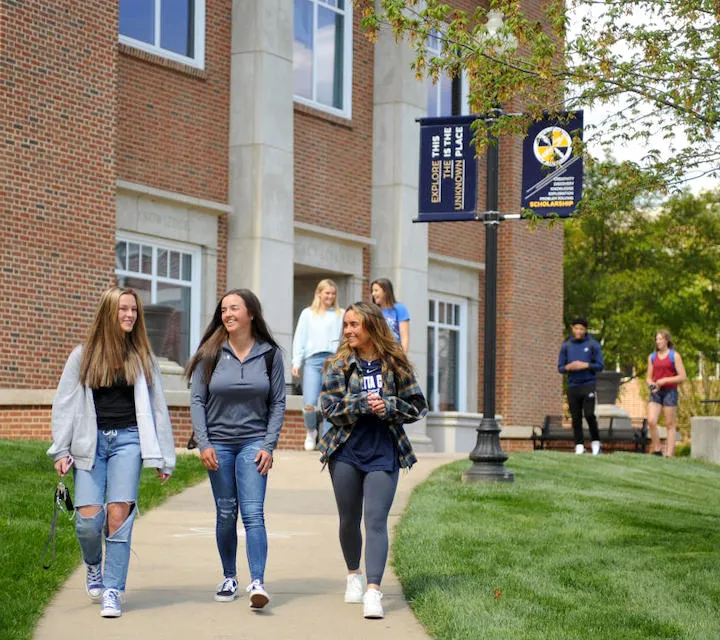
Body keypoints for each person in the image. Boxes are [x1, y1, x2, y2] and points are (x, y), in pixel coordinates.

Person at [47, 287, 176, 618]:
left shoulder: (143, 356)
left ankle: (114, 590)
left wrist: (164, 455)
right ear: (108, 312)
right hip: (91, 444)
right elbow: (64, 403)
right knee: (88, 523)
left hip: (128, 443)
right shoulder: (84, 355)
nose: (130, 315)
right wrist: (61, 449)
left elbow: (159, 407)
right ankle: (93, 565)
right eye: (123, 309)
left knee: (118, 516)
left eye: (134, 310)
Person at [318, 302, 428, 620]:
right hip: (346, 451)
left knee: (376, 521)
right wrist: (363, 403)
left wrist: (389, 405)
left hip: (384, 450)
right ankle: (354, 575)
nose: (349, 330)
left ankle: (374, 591)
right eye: (346, 325)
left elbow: (418, 405)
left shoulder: (395, 363)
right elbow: (328, 407)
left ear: (372, 327)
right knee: (349, 520)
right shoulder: (338, 365)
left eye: (355, 325)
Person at [186, 288, 286, 609]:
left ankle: (257, 582)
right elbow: (198, 400)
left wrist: (269, 445)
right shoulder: (210, 353)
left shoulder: (270, 354)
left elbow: (278, 402)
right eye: (224, 309)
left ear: (251, 314)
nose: (227, 314)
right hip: (219, 444)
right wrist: (204, 443)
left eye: (234, 309)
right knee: (227, 512)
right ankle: (230, 577)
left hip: (254, 442)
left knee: (253, 513)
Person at [291, 278, 344, 451]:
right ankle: (311, 431)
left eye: (333, 293)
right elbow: (300, 338)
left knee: (331, 400)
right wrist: (296, 362)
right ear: (319, 294)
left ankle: (327, 438)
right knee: (309, 403)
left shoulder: (340, 314)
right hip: (313, 361)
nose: (330, 296)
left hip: (333, 361)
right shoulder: (307, 314)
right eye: (327, 293)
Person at [557, 316, 605, 455]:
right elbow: (560, 368)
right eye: (576, 328)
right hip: (573, 385)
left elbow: (600, 366)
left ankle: (596, 443)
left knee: (589, 415)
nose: (578, 331)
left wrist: (585, 365)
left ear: (585, 330)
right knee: (575, 417)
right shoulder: (566, 346)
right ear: (572, 329)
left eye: (581, 329)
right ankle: (579, 445)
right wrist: (569, 367)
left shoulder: (592, 344)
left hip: (588, 384)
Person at [646, 330, 686, 457]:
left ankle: (669, 454)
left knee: (669, 423)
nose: (658, 342)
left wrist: (665, 380)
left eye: (661, 339)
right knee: (651, 421)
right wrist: (651, 385)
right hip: (656, 392)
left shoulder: (674, 356)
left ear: (667, 340)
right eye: (657, 339)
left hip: (670, 391)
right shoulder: (652, 357)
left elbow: (682, 377)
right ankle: (657, 449)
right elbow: (648, 377)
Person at [370, 278, 410, 353]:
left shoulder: (400, 308)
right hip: (377, 354)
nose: (373, 294)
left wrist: (403, 356)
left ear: (385, 291)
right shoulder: (374, 311)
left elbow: (404, 337)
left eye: (376, 290)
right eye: (372, 291)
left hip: (395, 353)